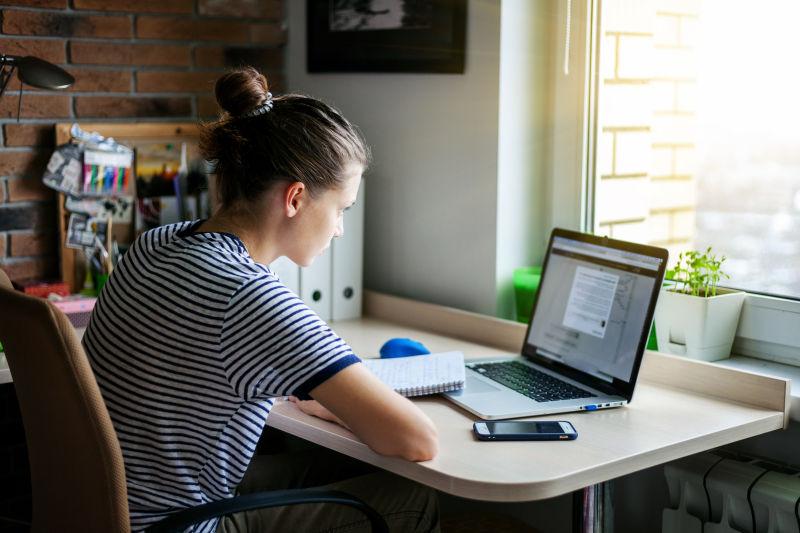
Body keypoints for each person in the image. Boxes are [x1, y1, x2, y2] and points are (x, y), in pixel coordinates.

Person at [83, 67, 440, 533]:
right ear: (295, 198)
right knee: (413, 494)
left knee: (351, 470)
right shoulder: (248, 295)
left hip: (115, 505)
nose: (339, 229)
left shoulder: (155, 244)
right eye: (341, 209)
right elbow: (416, 440)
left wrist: (329, 397)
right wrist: (344, 402)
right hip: (178, 526)